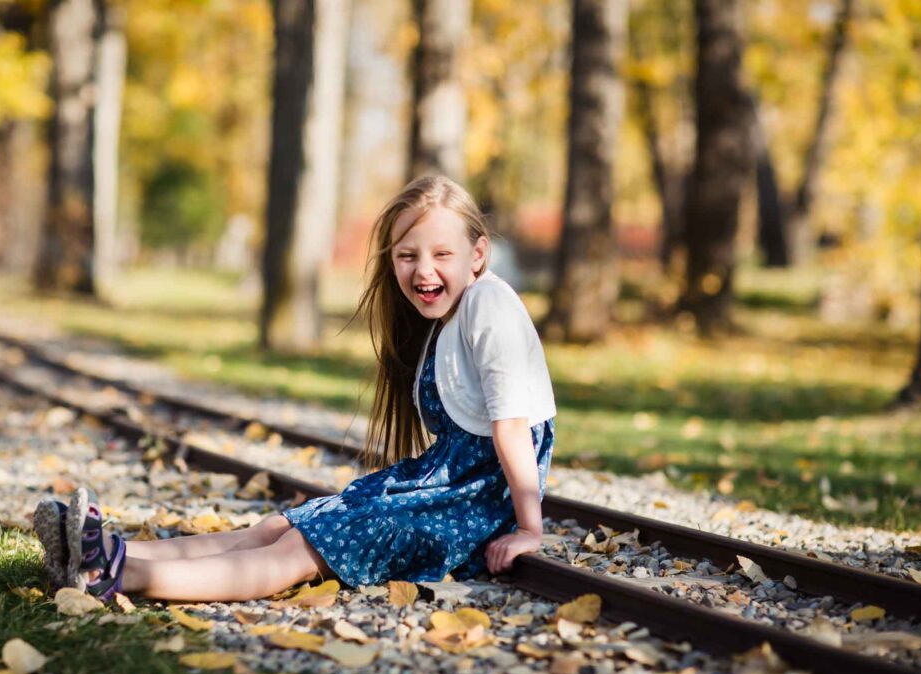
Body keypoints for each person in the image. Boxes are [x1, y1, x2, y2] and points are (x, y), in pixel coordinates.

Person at [34, 175, 557, 603]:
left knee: (293, 554)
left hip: (466, 508)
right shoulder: (449, 317)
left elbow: (511, 426)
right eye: (407, 255)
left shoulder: (489, 305)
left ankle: (117, 574)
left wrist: (528, 529)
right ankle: (101, 549)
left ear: (478, 254)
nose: (423, 269)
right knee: (274, 528)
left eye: (442, 253)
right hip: (439, 490)